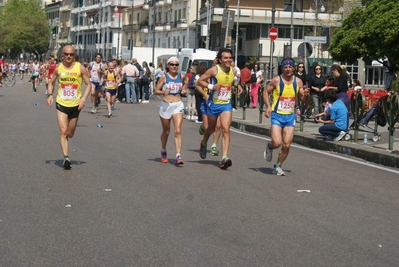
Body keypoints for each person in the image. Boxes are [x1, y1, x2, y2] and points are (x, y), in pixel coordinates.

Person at [46, 45, 92, 169]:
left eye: (71, 54)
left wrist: (83, 99)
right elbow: (51, 82)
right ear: (62, 55)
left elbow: (89, 85)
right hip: (61, 103)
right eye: (66, 54)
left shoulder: (81, 68)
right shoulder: (58, 69)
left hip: (75, 105)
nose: (68, 57)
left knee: (70, 133)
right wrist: (50, 95)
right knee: (63, 131)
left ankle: (67, 144)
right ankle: (66, 158)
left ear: (74, 55)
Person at [263, 57, 310, 176]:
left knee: (287, 144)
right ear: (282, 68)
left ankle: (278, 165)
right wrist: (268, 106)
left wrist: (306, 95)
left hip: (290, 116)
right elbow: (265, 92)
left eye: (290, 67)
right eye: (285, 67)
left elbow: (302, 99)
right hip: (277, 115)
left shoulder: (298, 82)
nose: (288, 69)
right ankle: (269, 146)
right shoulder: (276, 81)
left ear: (293, 68)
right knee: (277, 142)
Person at [197, 48, 243, 169]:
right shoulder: (214, 70)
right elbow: (199, 81)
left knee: (225, 129)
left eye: (230, 57)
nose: (228, 60)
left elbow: (230, 81)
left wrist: (238, 86)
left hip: (226, 104)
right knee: (210, 128)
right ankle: (204, 143)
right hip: (214, 103)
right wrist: (212, 86)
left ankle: (224, 157)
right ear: (220, 59)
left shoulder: (233, 70)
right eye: (225, 58)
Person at [154, 56, 186, 165]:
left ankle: (178, 155)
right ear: (168, 66)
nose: (174, 66)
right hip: (166, 106)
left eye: (176, 64)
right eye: (172, 64)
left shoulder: (181, 76)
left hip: (178, 104)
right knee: (166, 132)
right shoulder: (164, 77)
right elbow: (156, 90)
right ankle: (163, 150)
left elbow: (185, 85)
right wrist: (163, 92)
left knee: (177, 130)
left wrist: (184, 89)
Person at [196, 64, 222, 156]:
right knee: (208, 127)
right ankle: (203, 127)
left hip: (218, 103)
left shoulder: (223, 77)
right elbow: (197, 83)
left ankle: (214, 146)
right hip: (207, 104)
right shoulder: (208, 76)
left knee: (218, 126)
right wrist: (204, 94)